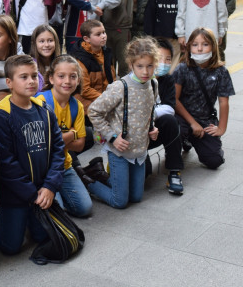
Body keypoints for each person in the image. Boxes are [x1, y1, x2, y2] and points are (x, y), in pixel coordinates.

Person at [0, 54, 66, 255]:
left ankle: (25, 219)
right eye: (23, 77)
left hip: (42, 190)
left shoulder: (45, 109)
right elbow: (6, 163)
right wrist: (32, 194)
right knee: (11, 247)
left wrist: (49, 186)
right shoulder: (1, 116)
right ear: (9, 82)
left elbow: (58, 149)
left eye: (34, 76)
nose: (31, 81)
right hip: (16, 194)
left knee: (42, 237)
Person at [85, 37, 160, 209]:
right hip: (119, 150)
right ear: (131, 64)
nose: (145, 71)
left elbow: (150, 109)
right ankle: (87, 182)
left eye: (150, 65)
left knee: (136, 197)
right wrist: (112, 137)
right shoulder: (120, 87)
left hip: (139, 151)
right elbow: (94, 111)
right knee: (120, 201)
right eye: (140, 66)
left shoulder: (154, 84)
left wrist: (152, 127)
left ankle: (101, 174)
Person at [34, 55, 93, 218]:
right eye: (61, 76)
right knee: (53, 209)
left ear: (78, 80)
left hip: (64, 165)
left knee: (85, 209)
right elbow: (44, 142)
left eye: (73, 76)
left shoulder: (77, 106)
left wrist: (59, 138)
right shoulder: (41, 102)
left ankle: (64, 194)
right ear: (51, 78)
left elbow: (80, 145)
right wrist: (72, 133)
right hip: (42, 169)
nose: (67, 81)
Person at [174, 27, 234, 170]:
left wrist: (221, 128)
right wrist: (193, 123)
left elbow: (223, 102)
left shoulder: (221, 71)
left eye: (205, 44)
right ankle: (181, 144)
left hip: (205, 119)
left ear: (213, 47)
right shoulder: (182, 68)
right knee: (177, 130)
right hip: (183, 117)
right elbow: (174, 100)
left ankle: (196, 140)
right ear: (189, 48)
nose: (200, 49)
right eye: (195, 45)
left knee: (215, 161)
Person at [96, 0, 149, 77]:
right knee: (108, 62)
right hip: (106, 29)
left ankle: (125, 88)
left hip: (123, 29)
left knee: (124, 63)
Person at [152, 38, 185, 194]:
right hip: (137, 136)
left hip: (157, 130)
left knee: (171, 121)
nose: (163, 63)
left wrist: (150, 113)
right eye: (159, 58)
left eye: (168, 59)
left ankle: (174, 171)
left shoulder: (167, 79)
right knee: (139, 183)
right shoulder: (136, 79)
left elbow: (170, 107)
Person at [73, 19, 115, 112]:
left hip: (104, 98)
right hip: (86, 103)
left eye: (104, 32)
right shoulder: (80, 58)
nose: (103, 36)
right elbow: (84, 89)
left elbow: (112, 80)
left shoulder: (106, 53)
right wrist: (106, 99)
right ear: (86, 39)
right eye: (98, 34)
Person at [30, 23, 59, 91]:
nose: (46, 45)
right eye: (41, 41)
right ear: (35, 44)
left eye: (50, 40)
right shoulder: (30, 65)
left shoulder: (61, 63)